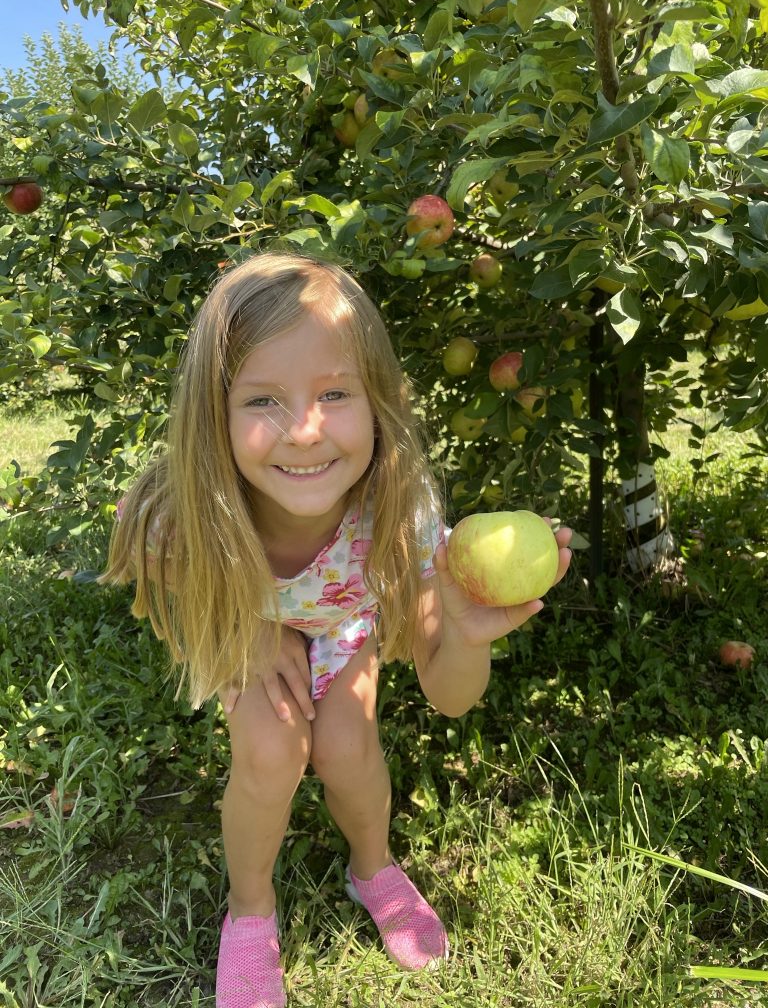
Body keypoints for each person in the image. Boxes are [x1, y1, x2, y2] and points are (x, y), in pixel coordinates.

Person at [100, 252, 572, 1007]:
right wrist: (249, 632)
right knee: (269, 751)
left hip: (346, 620)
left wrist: (466, 631)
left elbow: (449, 697)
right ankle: (251, 911)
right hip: (245, 620)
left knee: (348, 748)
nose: (303, 431)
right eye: (262, 400)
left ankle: (373, 866)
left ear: (378, 399)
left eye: (333, 392)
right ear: (211, 414)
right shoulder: (189, 507)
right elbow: (161, 565)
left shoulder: (400, 514)